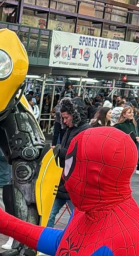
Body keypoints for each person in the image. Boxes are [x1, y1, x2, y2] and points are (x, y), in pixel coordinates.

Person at [0, 127, 139, 255]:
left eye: (72, 166)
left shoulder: (126, 240)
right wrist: (5, 223)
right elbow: (66, 242)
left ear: (94, 175)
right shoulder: (86, 210)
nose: (64, 176)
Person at [48, 97, 90, 229]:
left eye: (66, 118)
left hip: (75, 182)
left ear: (75, 115)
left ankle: (70, 241)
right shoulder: (71, 129)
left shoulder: (84, 131)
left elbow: (79, 155)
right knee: (50, 214)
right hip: (65, 180)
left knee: (78, 218)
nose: (64, 121)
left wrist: (59, 150)